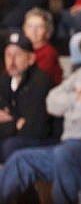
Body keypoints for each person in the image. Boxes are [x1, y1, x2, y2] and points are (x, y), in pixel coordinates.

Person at [0, 29, 81, 204]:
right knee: (20, 159)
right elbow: (52, 102)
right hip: (66, 144)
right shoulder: (79, 75)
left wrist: (79, 100)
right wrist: (77, 97)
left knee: (65, 154)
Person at [0, 31, 52, 162]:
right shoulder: (4, 81)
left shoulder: (41, 81)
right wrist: (16, 124)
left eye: (18, 55)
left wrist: (10, 122)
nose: (12, 61)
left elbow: (34, 128)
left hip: (42, 140)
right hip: (14, 136)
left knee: (10, 146)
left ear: (31, 59)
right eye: (8, 55)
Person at [23, 7, 63, 85]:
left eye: (39, 27)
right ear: (24, 30)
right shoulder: (22, 50)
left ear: (48, 31)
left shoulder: (48, 52)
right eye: (30, 26)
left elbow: (37, 80)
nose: (34, 31)